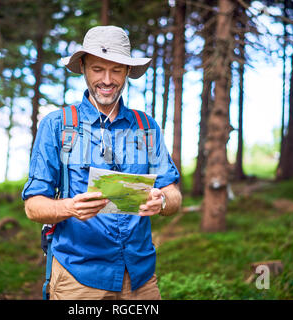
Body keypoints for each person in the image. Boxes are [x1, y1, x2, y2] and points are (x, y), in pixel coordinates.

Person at [22, 25, 182, 300]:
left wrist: (162, 202)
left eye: (116, 70)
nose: (107, 80)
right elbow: (33, 207)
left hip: (141, 279)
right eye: (98, 69)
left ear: (128, 72)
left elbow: (173, 193)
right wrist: (69, 207)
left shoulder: (146, 126)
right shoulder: (57, 125)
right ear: (83, 67)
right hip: (78, 278)